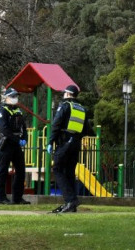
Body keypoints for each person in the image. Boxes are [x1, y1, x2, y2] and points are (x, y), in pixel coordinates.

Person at [48, 84, 88, 214]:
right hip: (76, 143)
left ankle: (71, 200)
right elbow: (87, 128)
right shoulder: (82, 109)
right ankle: (70, 205)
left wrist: (50, 141)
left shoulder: (65, 106)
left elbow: (56, 124)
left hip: (65, 142)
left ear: (67, 94)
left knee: (58, 169)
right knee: (69, 172)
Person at [0, 87, 30, 205]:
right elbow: (4, 129)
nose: (15, 98)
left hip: (16, 144)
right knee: (2, 171)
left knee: (21, 171)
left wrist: (25, 138)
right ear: (7, 97)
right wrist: (17, 140)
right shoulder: (1, 111)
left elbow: (23, 127)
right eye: (13, 96)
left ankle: (17, 198)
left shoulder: (17, 111)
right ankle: (1, 198)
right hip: (6, 143)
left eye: (16, 96)